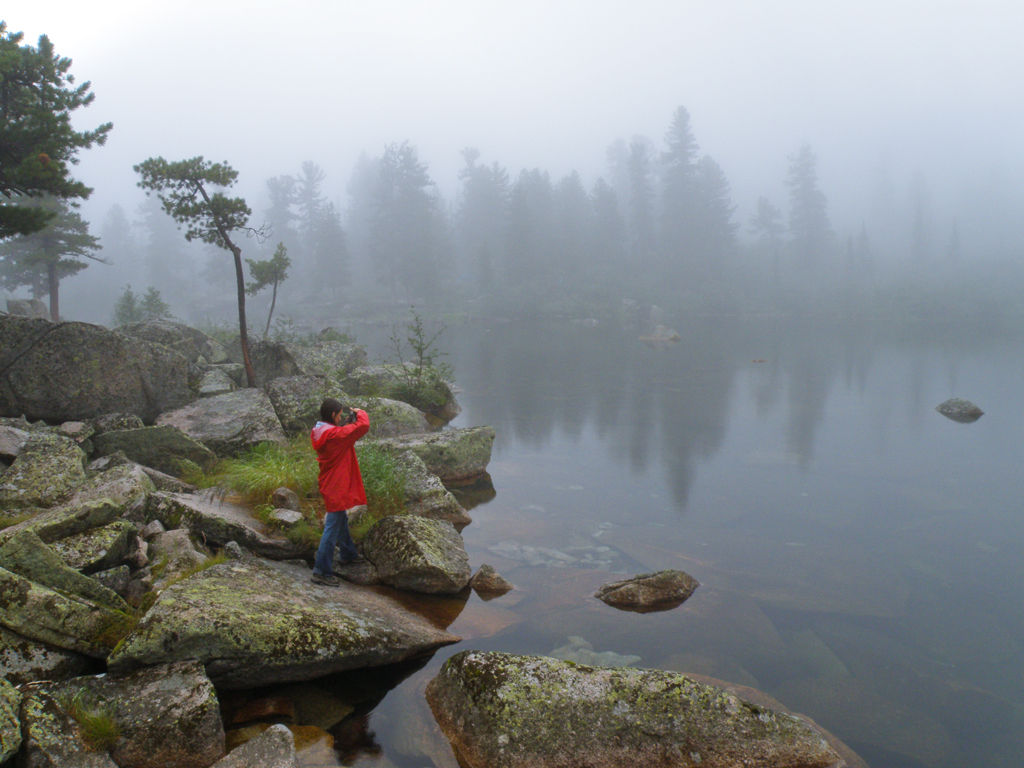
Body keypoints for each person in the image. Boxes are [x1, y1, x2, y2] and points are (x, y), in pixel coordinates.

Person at [310, 398, 370, 587]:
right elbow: (363, 426)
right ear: (334, 416)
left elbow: (339, 432)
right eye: (341, 414)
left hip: (330, 483)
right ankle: (321, 571)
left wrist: (345, 423)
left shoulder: (319, 431)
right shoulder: (336, 436)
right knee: (332, 526)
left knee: (341, 519)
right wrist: (359, 412)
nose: (343, 417)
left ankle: (348, 554)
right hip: (336, 486)